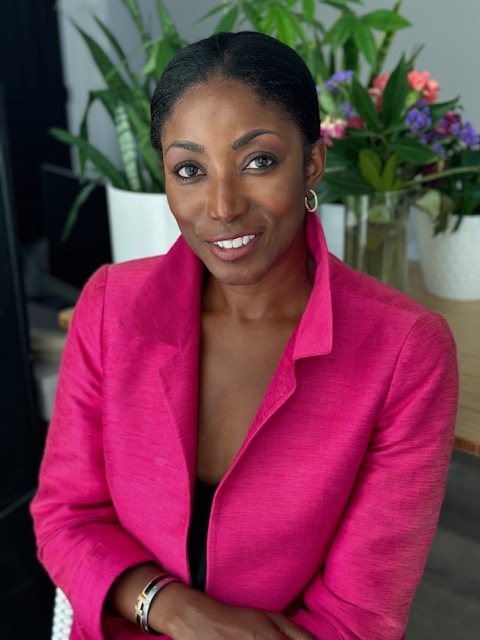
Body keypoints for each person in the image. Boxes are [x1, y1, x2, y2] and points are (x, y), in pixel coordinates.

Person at [31, 31, 458, 640]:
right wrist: (177, 611)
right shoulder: (109, 307)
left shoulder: (404, 352)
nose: (223, 206)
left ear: (312, 161)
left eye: (258, 161)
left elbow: (358, 618)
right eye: (190, 170)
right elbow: (65, 517)